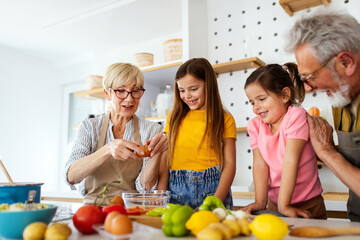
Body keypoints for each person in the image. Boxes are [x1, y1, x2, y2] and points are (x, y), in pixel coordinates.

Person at [286, 11, 360, 221]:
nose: (308, 89)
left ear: (345, 63)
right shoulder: (341, 96)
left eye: (310, 76)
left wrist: (327, 152)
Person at [65, 63, 167, 204]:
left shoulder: (152, 130)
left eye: (135, 91)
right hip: (93, 209)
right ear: (107, 93)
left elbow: (145, 189)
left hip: (130, 210)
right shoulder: (89, 126)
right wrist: (108, 149)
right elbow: (72, 176)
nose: (129, 98)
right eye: (121, 91)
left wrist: (157, 153)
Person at [242, 63, 327, 219]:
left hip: (308, 203)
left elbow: (290, 160)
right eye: (252, 102)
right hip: (275, 204)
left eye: (261, 99)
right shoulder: (254, 125)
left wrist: (284, 205)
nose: (256, 107)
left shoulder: (296, 116)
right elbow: (260, 164)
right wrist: (260, 202)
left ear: (284, 95)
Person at [157, 58, 237, 209]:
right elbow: (164, 158)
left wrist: (216, 201)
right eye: (182, 90)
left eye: (193, 89)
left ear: (209, 86)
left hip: (214, 191)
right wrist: (161, 194)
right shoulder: (173, 118)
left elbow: (230, 164)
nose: (187, 95)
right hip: (176, 191)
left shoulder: (225, 119)